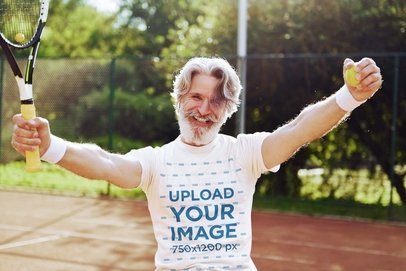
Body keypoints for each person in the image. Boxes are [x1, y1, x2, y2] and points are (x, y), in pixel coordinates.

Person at [11, 56, 382, 270]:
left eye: (217, 100)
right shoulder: (155, 162)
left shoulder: (245, 153)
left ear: (229, 108)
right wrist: (49, 145)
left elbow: (301, 129)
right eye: (196, 96)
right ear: (179, 99)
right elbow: (106, 163)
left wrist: (349, 96)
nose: (204, 109)